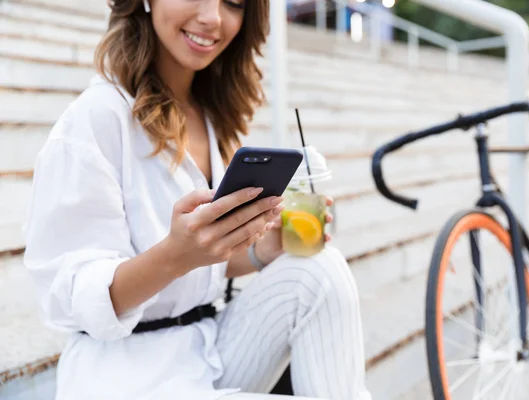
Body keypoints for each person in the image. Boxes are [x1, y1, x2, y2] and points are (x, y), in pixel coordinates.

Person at [22, 1, 372, 399]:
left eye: (234, 3)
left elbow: (203, 269)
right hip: (127, 375)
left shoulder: (209, 116)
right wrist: (174, 255)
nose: (213, 18)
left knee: (321, 269)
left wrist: (262, 250)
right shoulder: (96, 118)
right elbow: (72, 299)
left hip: (208, 349)